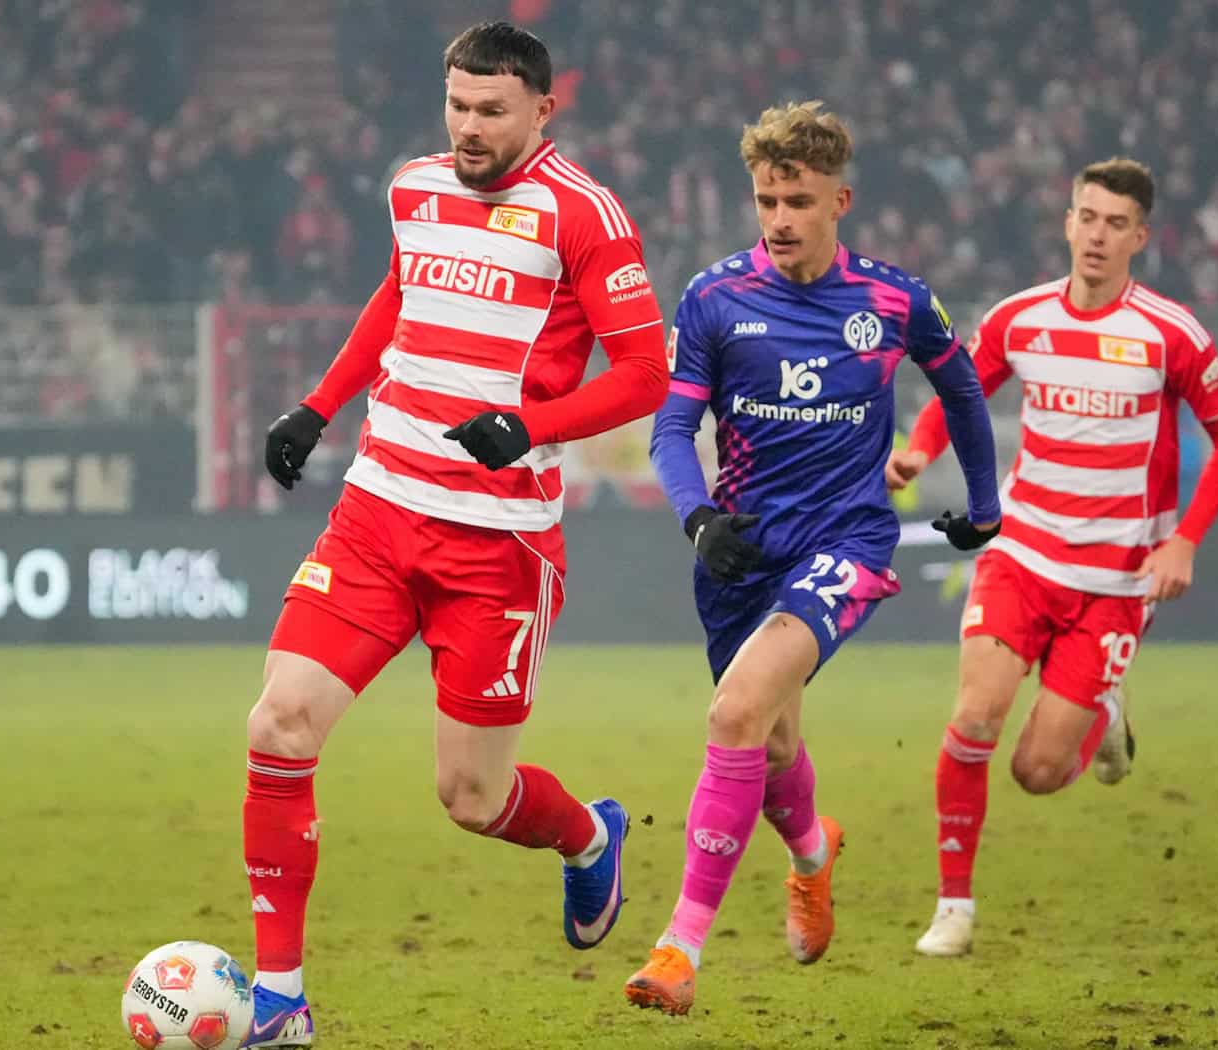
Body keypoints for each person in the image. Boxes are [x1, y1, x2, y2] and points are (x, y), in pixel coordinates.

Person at [240, 22, 668, 1047]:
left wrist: (531, 427)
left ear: (540, 110)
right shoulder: (415, 187)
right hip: (377, 513)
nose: (468, 129)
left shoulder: (586, 217)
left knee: (472, 799)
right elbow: (399, 294)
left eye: (491, 111)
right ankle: (278, 1000)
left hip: (495, 546)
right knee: (277, 726)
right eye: (456, 106)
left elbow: (645, 375)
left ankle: (584, 835)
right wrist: (319, 404)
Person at [626, 101, 1002, 1016]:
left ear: (841, 199)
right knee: (772, 738)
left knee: (735, 712)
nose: (780, 218)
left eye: (797, 199)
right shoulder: (716, 297)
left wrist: (984, 505)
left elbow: (962, 385)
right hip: (738, 551)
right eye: (766, 199)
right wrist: (697, 517)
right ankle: (812, 853)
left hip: (845, 543)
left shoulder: (895, 299)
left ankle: (679, 952)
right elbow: (673, 426)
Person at [886, 158, 1218, 958]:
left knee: (1039, 772)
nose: (1097, 234)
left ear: (1140, 238)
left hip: (1117, 582)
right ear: (1067, 221)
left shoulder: (1171, 333)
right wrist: (918, 450)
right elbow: (963, 392)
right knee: (973, 718)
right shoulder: (1021, 318)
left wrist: (1185, 539)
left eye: (1115, 223)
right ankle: (954, 907)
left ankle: (1105, 714)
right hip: (1020, 553)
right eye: (1087, 217)